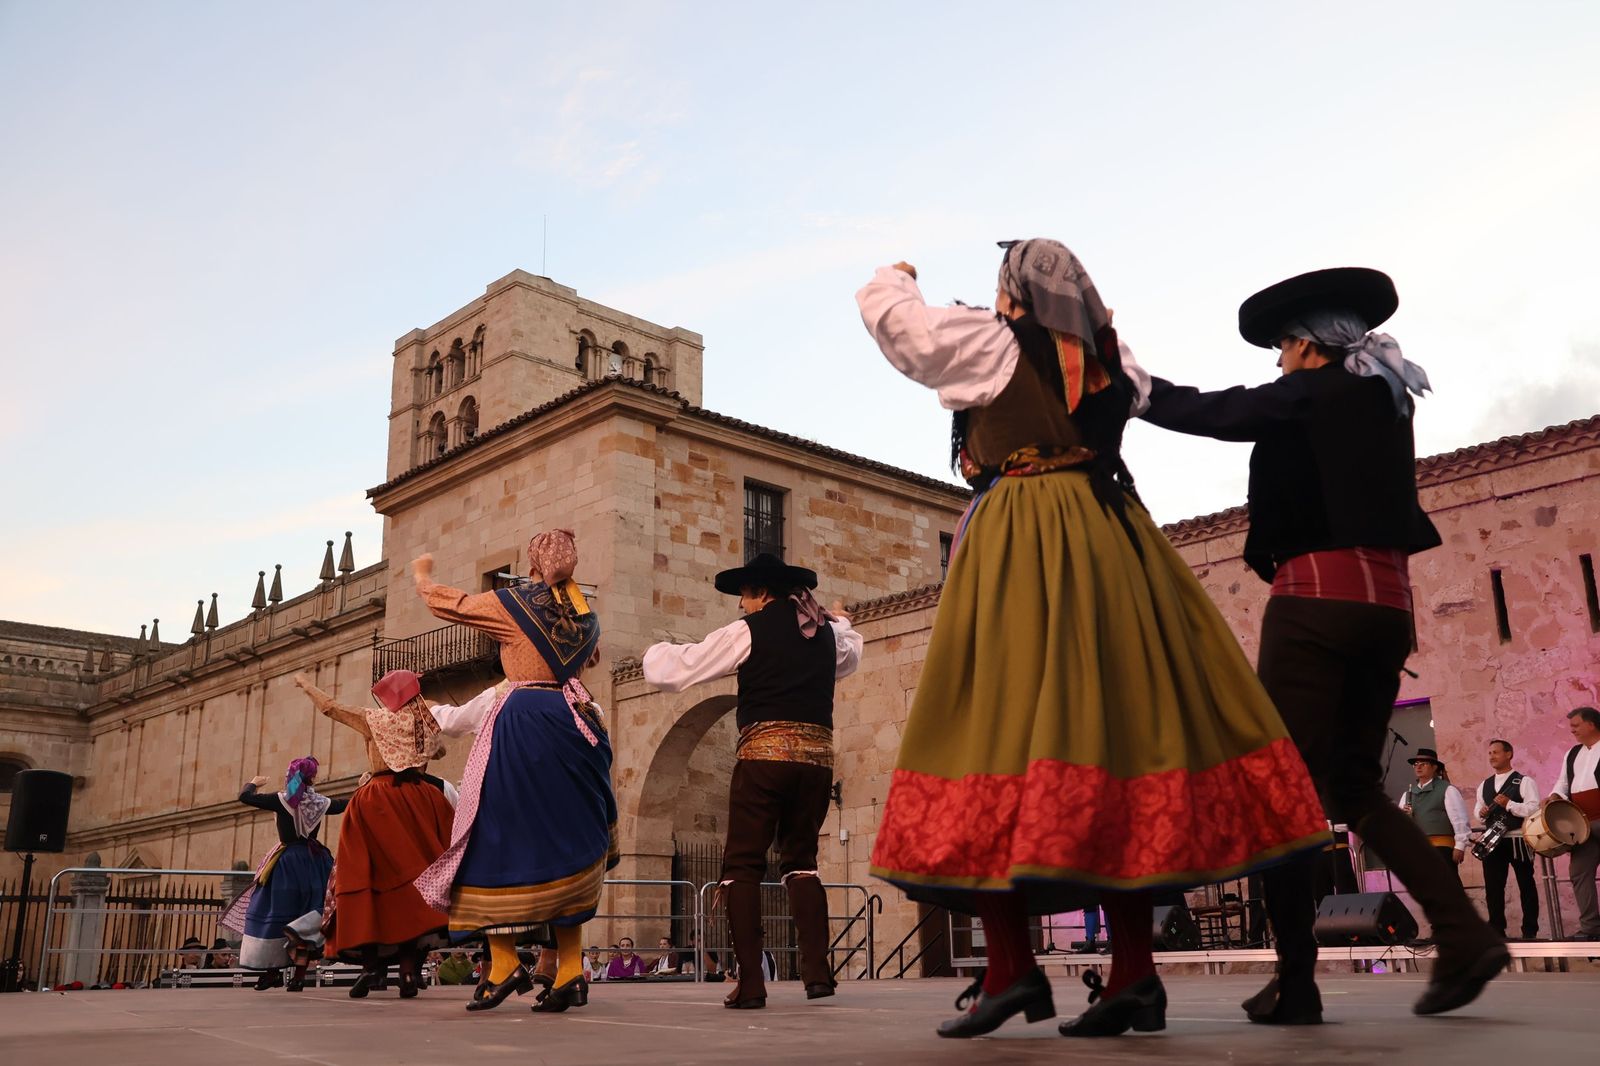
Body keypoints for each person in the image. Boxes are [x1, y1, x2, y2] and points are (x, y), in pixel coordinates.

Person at [857, 243, 1329, 1040]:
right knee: (1121, 746)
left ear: (1014, 294)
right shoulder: (1112, 360)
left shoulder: (990, 341)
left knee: (991, 734)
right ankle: (1132, 975)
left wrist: (895, 276)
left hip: (1022, 541)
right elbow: (1178, 403)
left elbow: (899, 328)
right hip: (1114, 545)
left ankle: (1013, 969)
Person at [1140, 265, 1507, 1021]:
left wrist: (1127, 383)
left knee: (1281, 791)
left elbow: (1217, 412)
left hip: (1315, 604)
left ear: (1307, 346)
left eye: (1280, 348)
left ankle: (1297, 981)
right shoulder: (1386, 397)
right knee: (1354, 789)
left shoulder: (1319, 388)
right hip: (1387, 609)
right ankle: (1466, 934)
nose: (1275, 363)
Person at [643, 553, 864, 1009]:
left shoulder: (750, 630)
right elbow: (849, 652)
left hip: (764, 758)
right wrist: (840, 623)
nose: (742, 605)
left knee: (742, 865)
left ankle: (751, 982)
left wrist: (654, 651)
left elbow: (676, 669)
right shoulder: (824, 634)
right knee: (802, 861)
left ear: (761, 593)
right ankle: (818, 975)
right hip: (817, 764)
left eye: (744, 595)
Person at [412, 528, 618, 1016]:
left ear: (531, 564)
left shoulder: (516, 602)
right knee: (565, 843)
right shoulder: (585, 615)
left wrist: (423, 578)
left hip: (525, 719)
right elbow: (590, 659)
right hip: (578, 722)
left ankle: (502, 964)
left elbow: (454, 605)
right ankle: (569, 970)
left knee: (494, 835)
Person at [292, 671, 455, 1000]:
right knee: (416, 887)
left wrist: (306, 685)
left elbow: (331, 708)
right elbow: (440, 753)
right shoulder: (426, 715)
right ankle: (408, 972)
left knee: (362, 878)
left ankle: (371, 968)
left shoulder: (374, 719)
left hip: (377, 800)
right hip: (420, 799)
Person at [219, 756, 345, 991]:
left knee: (275, 914)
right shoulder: (319, 802)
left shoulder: (281, 800)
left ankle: (272, 972)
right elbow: (345, 804)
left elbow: (245, 797)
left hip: (286, 865)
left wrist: (253, 783)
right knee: (306, 918)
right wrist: (364, 787)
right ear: (313, 778)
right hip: (315, 864)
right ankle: (298, 976)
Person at [1474, 739, 1541, 940]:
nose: (1492, 756)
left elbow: (1534, 808)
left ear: (1509, 754)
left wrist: (1509, 804)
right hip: (1492, 840)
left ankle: (1530, 931)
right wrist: (1482, 813)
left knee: (1526, 884)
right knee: (1493, 887)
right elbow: (1477, 810)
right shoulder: (1484, 785)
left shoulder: (1524, 781)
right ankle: (1496, 930)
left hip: (1517, 839)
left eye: (1496, 752)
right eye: (1489, 753)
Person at [1549, 706, 1600, 940]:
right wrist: (1555, 796)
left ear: (1591, 724)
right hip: (1583, 825)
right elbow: (1563, 783)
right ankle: (1590, 928)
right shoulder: (1572, 753)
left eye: (1576, 725)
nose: (1572, 730)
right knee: (1579, 872)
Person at [1399, 749, 1470, 883]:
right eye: (1416, 764)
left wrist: (1460, 845)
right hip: (1417, 848)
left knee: (1448, 886)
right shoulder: (1408, 794)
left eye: (1423, 763)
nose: (1418, 766)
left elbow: (1460, 820)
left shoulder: (1447, 789)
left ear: (1435, 767)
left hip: (1441, 847)